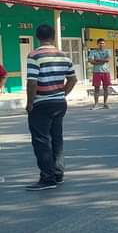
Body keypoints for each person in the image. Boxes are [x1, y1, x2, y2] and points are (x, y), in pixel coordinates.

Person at [25, 24, 77, 190]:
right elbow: (73, 79)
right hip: (59, 102)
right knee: (56, 138)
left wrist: (30, 102)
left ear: (37, 37)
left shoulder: (34, 55)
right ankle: (58, 173)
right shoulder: (64, 56)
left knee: (41, 140)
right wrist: (62, 93)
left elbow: (32, 83)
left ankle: (47, 178)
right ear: (53, 36)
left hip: (41, 103)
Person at [89, 38, 111, 109]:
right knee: (96, 88)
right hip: (96, 72)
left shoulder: (107, 51)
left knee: (106, 88)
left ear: (104, 44)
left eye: (103, 43)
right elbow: (91, 61)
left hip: (106, 71)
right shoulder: (93, 52)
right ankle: (96, 104)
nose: (101, 45)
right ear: (97, 44)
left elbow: (108, 60)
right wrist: (102, 61)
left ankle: (105, 103)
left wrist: (97, 60)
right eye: (100, 43)